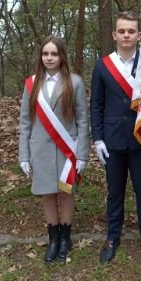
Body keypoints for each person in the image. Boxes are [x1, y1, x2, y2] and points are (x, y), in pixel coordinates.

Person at [90, 10, 141, 265]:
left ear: (138, 35)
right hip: (113, 141)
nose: (126, 35)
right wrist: (97, 139)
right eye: (122, 31)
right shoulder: (102, 65)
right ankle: (112, 237)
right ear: (114, 34)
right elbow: (96, 105)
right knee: (115, 193)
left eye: (131, 31)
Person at [19, 35, 89, 264]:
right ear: (41, 57)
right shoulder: (32, 84)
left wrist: (82, 154)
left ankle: (65, 237)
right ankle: (53, 238)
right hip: (39, 150)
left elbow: (82, 120)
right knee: (47, 194)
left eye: (54, 54)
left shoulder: (75, 82)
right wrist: (24, 155)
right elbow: (26, 122)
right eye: (45, 53)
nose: (49, 58)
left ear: (61, 57)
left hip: (67, 149)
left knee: (65, 192)